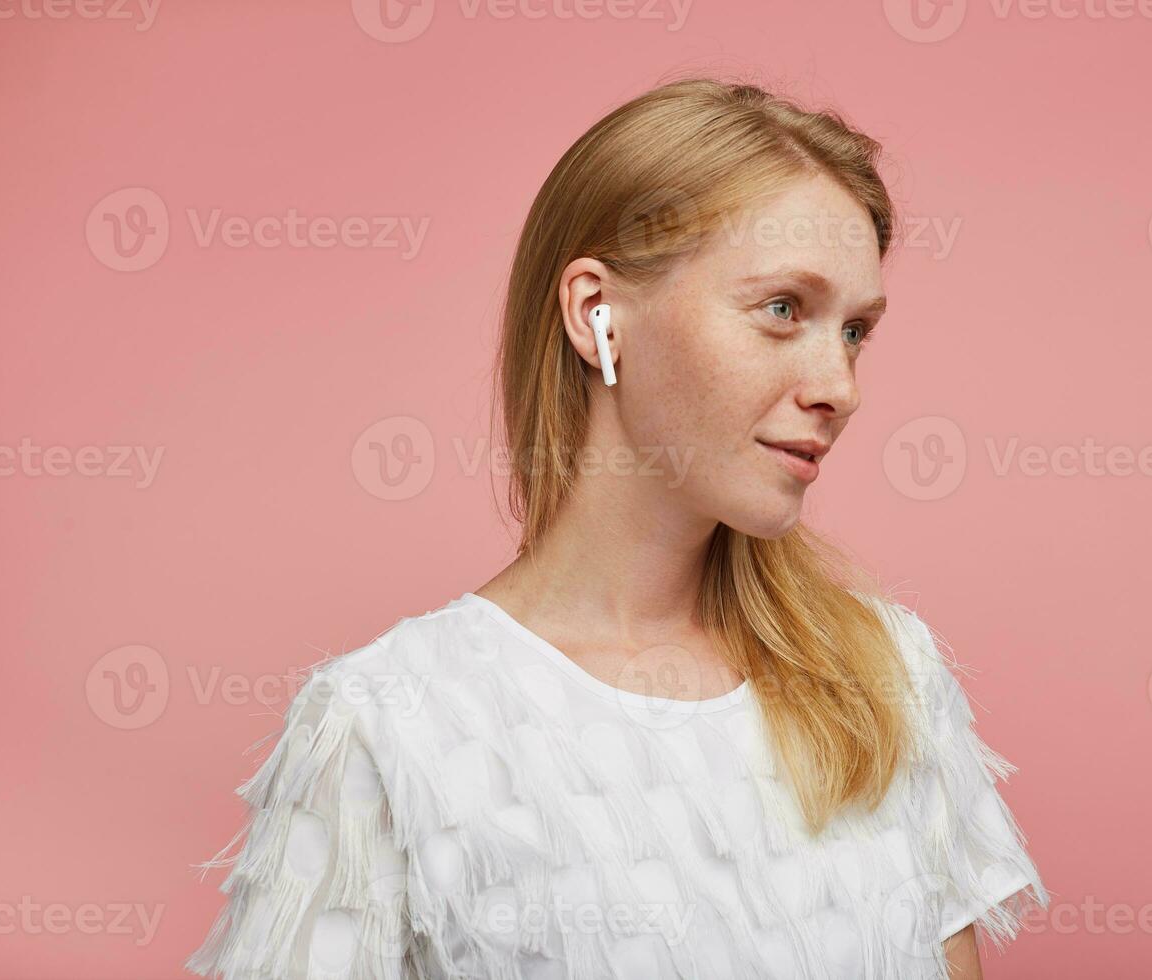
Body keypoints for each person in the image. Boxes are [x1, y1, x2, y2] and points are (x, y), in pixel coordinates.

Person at [185, 75, 1049, 980]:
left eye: (856, 330)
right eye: (784, 309)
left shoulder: (885, 677)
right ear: (597, 313)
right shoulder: (389, 725)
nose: (841, 385)